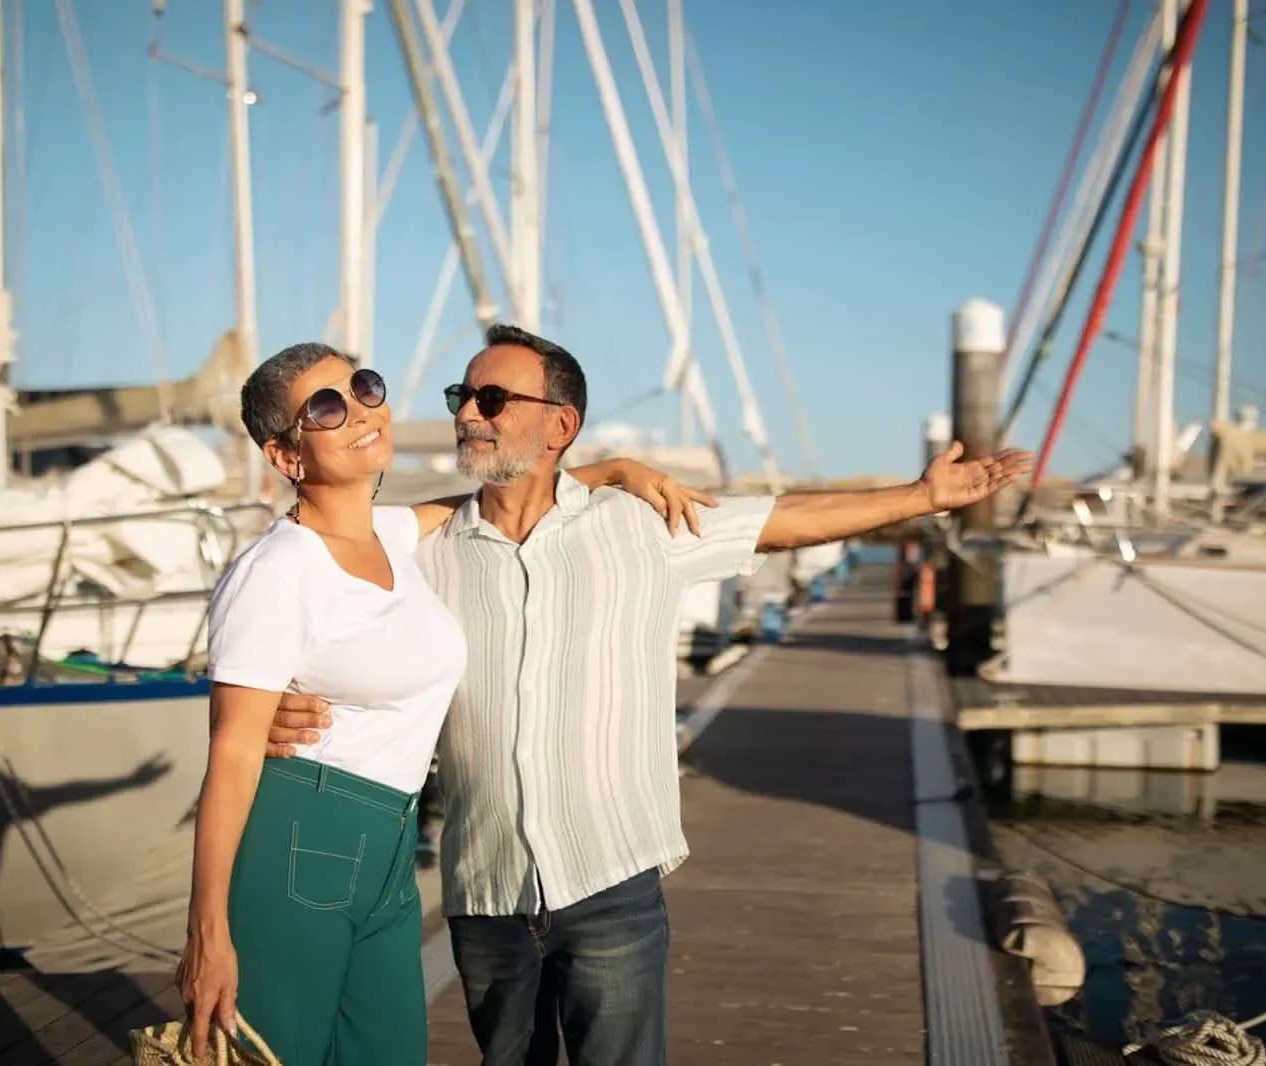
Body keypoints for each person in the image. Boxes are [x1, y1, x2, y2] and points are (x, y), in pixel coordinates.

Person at [265, 324, 1032, 1066]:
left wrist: (922, 496)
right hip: (487, 887)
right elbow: (315, 591)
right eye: (464, 393)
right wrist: (271, 699)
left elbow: (784, 521)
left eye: (493, 399)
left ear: (558, 423)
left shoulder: (641, 525)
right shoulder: (426, 547)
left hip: (609, 884)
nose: (468, 411)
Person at [179, 341, 709, 1064]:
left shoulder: (395, 536)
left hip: (393, 849)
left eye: (365, 387)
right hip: (303, 830)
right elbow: (233, 751)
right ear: (285, 454)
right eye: (328, 407)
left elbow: (509, 490)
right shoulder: (274, 571)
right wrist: (206, 930)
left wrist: (612, 470)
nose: (364, 410)